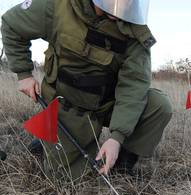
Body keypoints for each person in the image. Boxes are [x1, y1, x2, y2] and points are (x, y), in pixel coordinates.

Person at [1, 0, 172, 178]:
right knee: (68, 180)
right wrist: (24, 74)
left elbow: (134, 86)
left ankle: (121, 165)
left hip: (107, 104)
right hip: (68, 104)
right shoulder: (58, 6)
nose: (123, 6)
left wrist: (117, 138)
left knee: (159, 105)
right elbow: (12, 25)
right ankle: (45, 146)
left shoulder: (135, 32)